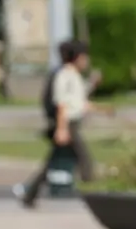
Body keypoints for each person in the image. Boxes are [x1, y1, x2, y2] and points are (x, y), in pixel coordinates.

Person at [19, 39, 110, 208]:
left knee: (53, 162)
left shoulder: (73, 76)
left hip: (71, 123)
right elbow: (62, 105)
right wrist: (62, 129)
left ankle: (30, 194)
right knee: (85, 160)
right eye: (84, 57)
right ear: (77, 58)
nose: (86, 61)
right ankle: (95, 195)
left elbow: (79, 101)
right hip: (68, 125)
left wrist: (101, 108)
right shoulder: (64, 76)